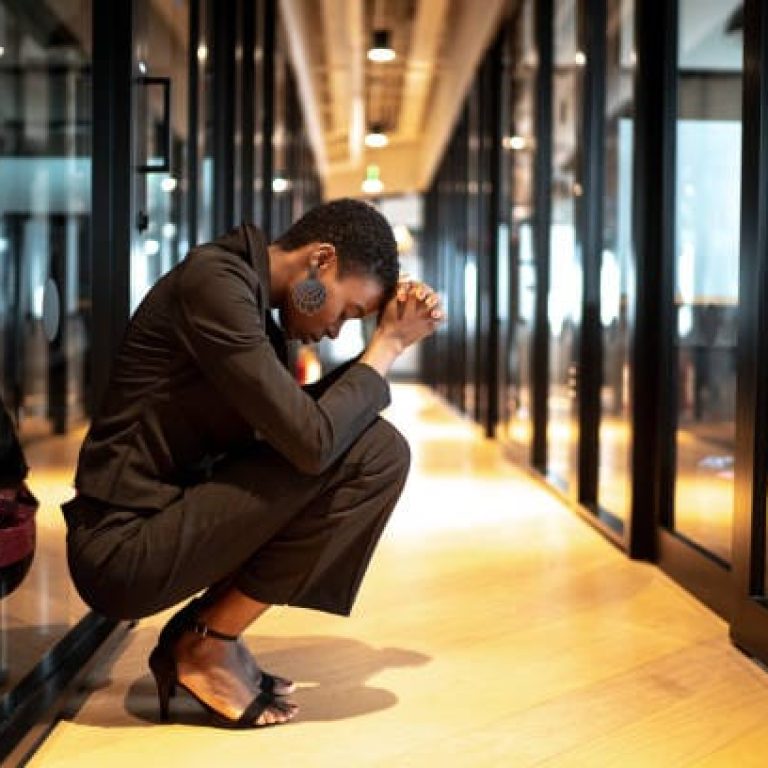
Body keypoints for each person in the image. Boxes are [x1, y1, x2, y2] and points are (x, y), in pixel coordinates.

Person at [62, 198, 444, 729]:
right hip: (123, 549)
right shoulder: (215, 288)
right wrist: (387, 347)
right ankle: (206, 645)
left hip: (168, 521)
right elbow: (311, 443)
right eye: (349, 311)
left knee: (376, 448)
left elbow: (302, 431)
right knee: (374, 452)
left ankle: (208, 635)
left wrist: (387, 335)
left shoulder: (249, 302)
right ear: (321, 261)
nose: (336, 330)